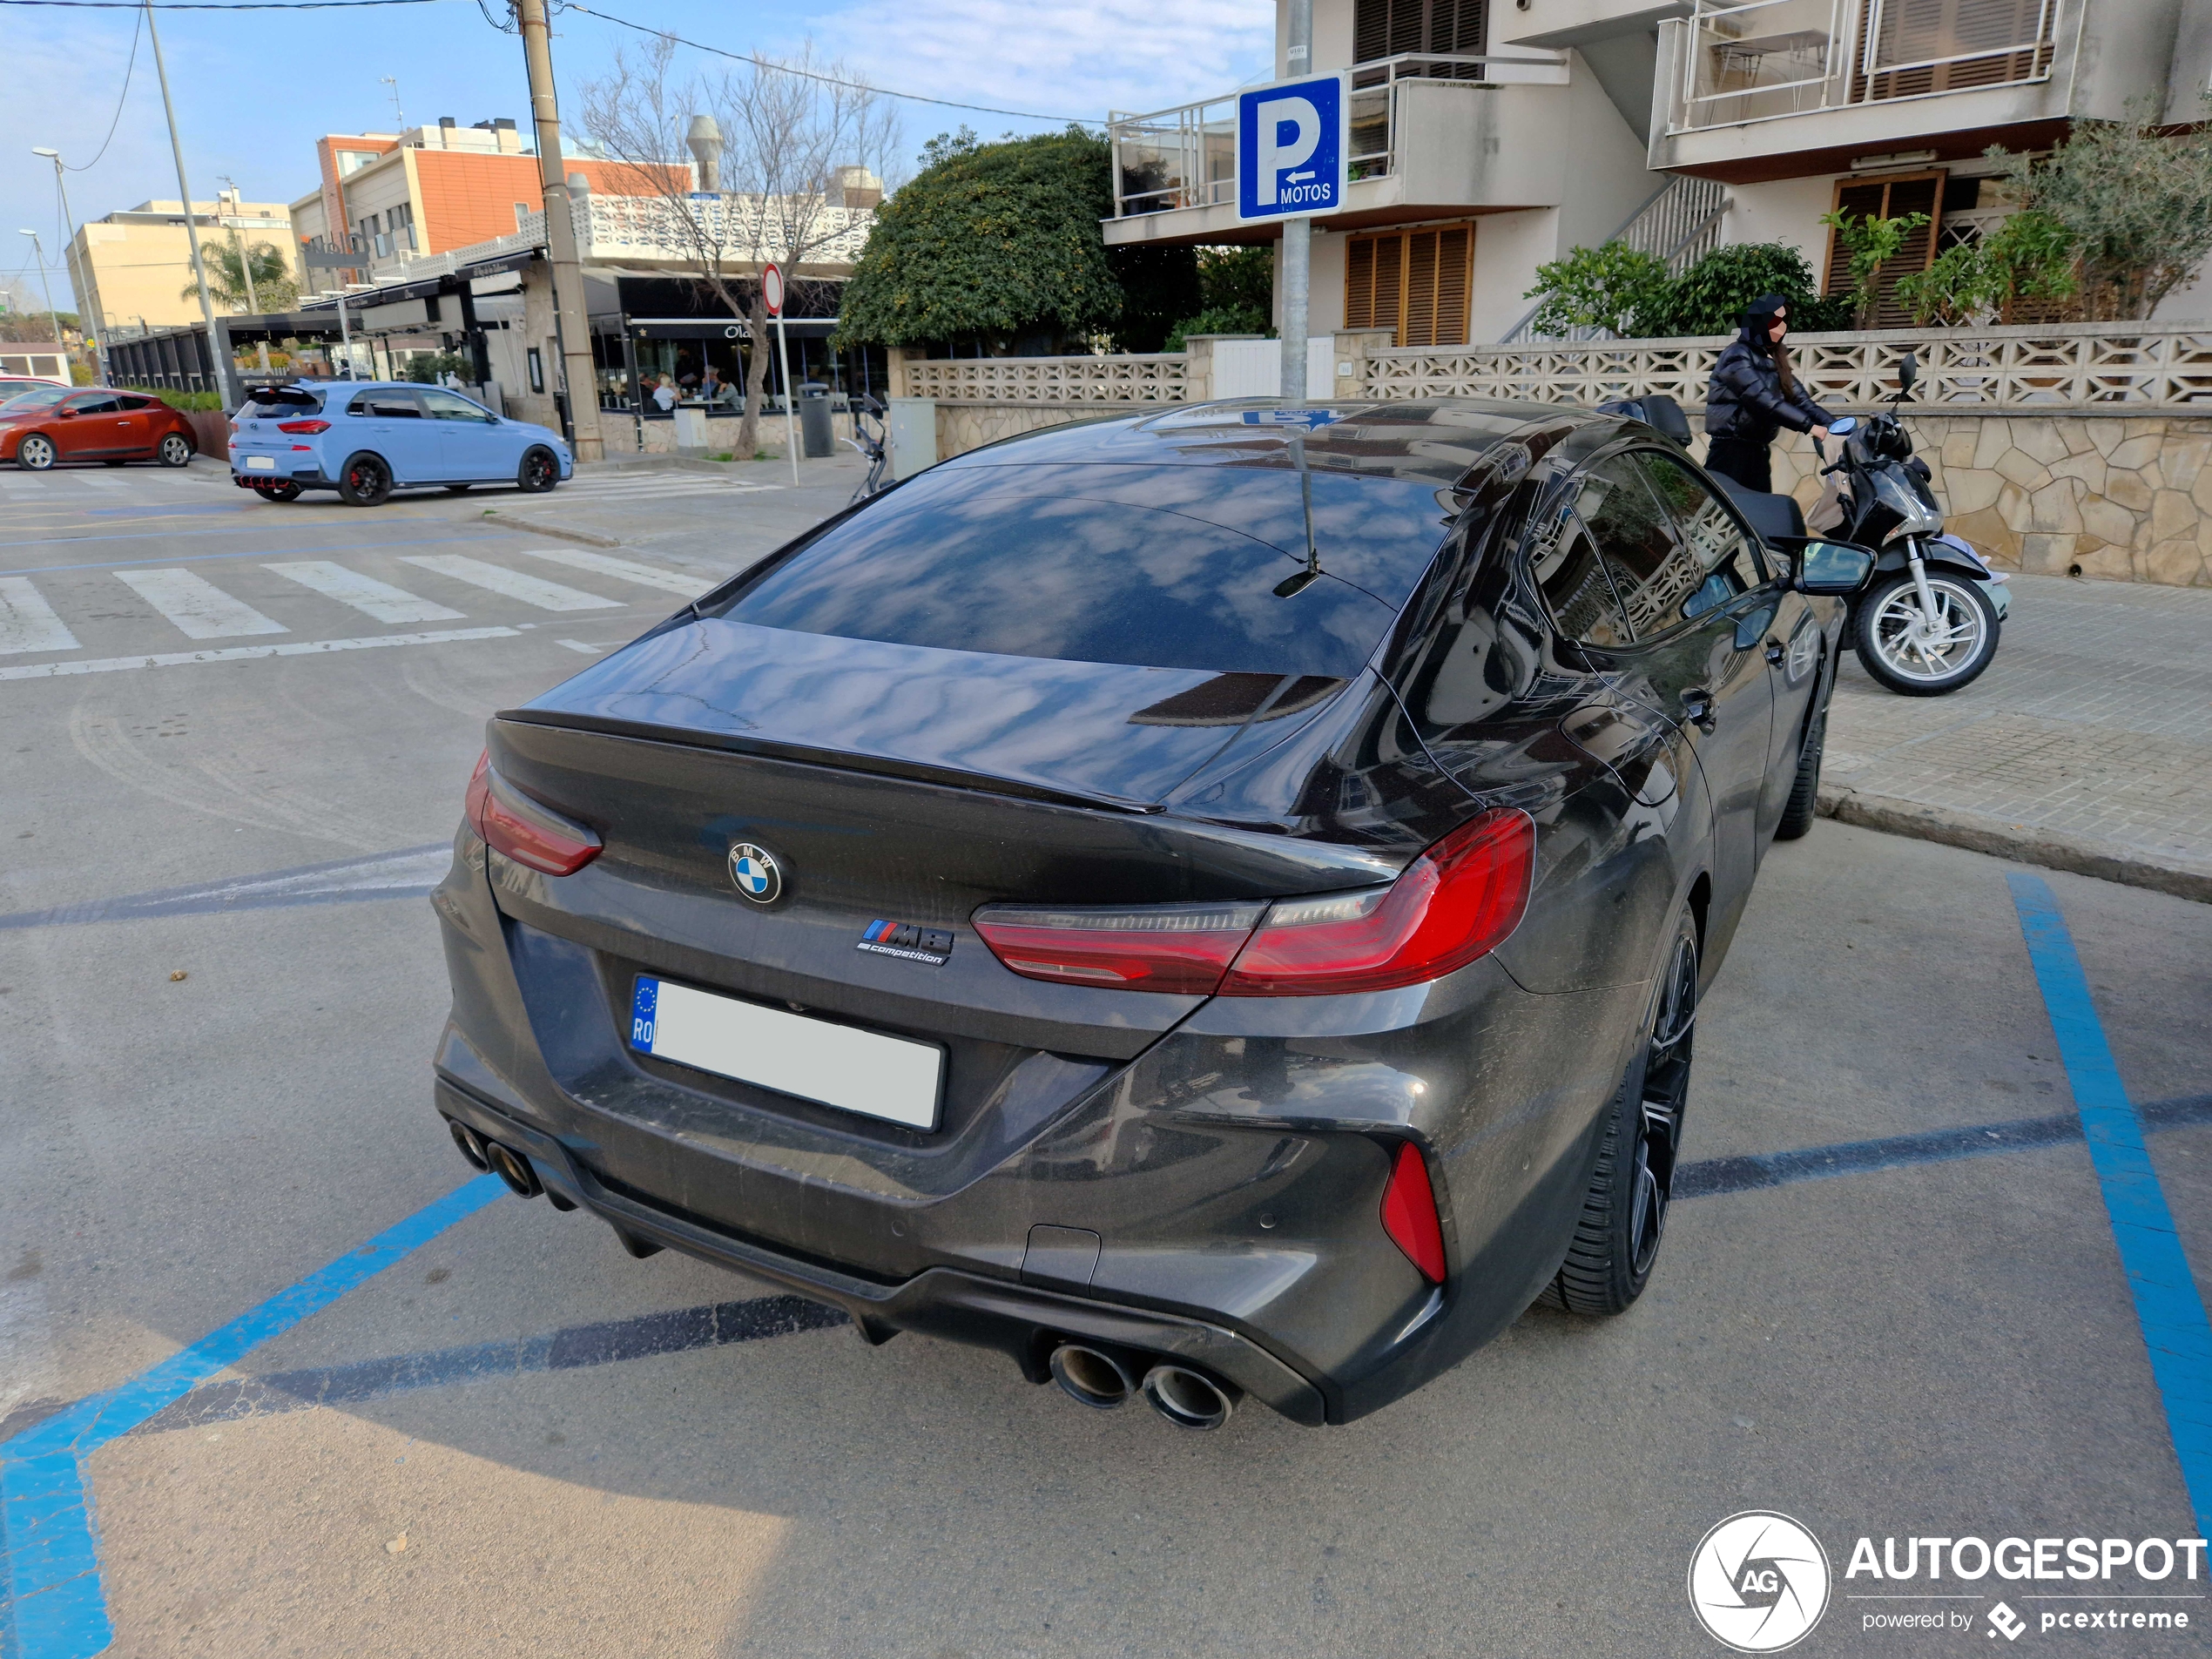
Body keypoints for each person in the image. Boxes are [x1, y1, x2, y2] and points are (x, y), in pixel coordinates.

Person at [1703, 294, 1833, 494]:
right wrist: (1811, 427)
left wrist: (1835, 427)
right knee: (1714, 511)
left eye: (1783, 322)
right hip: (1730, 450)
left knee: (1760, 516)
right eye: (1774, 321)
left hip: (1758, 450)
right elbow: (1761, 400)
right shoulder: (1736, 355)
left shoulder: (1774, 361)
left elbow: (1802, 401)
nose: (1779, 327)